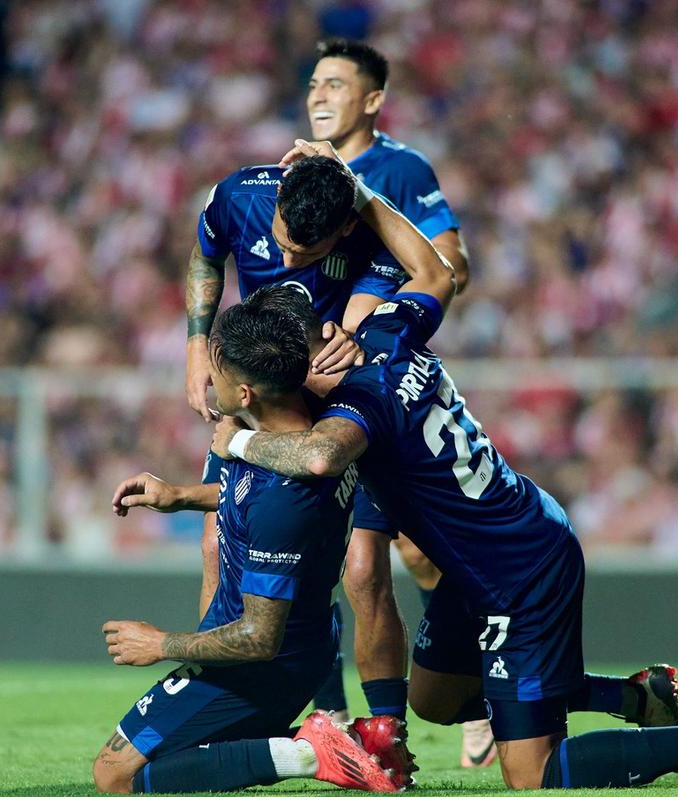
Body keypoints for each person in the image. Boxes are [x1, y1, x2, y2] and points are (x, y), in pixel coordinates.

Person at [212, 141, 678, 790]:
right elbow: (435, 271)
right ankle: (632, 698)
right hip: (488, 551)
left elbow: (318, 455)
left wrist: (237, 443)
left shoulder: (355, 405)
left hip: (520, 570)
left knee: (531, 774)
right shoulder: (389, 328)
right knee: (435, 699)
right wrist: (361, 194)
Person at [94, 288, 406, 794]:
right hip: (305, 643)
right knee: (186, 759)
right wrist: (180, 496)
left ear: (244, 394)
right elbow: (252, 495)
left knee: (115, 776)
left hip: (262, 665)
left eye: (216, 371)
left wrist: (159, 643)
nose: (206, 380)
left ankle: (309, 751)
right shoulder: (296, 433)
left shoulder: (281, 496)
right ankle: (349, 743)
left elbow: (259, 637)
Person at [183, 138, 414, 738]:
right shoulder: (237, 194)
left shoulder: (368, 224)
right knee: (216, 546)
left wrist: (355, 331)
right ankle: (232, 694)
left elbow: (412, 276)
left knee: (362, 570)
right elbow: (206, 257)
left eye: (303, 251)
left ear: (340, 231)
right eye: (280, 241)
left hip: (340, 403)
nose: (285, 263)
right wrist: (195, 345)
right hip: (268, 395)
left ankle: (388, 729)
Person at [303, 37, 487, 759]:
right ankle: (357, 725)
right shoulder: (299, 173)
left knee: (404, 554)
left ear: (373, 99)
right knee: (344, 566)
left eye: (336, 85)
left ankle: (468, 684)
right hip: (321, 396)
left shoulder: (400, 168)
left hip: (379, 391)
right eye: (313, 84)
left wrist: (375, 323)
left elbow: (454, 267)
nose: (318, 96)